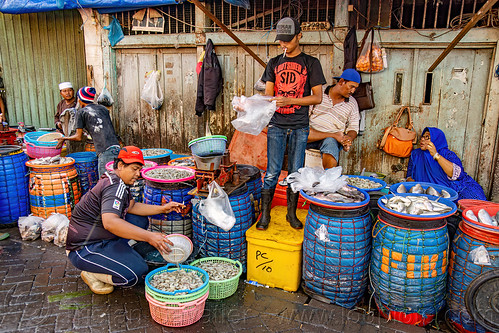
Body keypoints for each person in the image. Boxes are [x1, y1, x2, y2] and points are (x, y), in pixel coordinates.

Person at [66, 146, 185, 294]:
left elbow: (131, 207)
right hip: (84, 248)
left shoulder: (119, 181)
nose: (137, 174)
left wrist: (163, 208)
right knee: (136, 273)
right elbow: (110, 223)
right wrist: (150, 237)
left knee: (139, 220)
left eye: (139, 170)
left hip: (102, 236)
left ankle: (118, 254)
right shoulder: (113, 186)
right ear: (121, 165)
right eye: (134, 169)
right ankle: (93, 274)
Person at [257, 17, 326, 231]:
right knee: (272, 172)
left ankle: (291, 214)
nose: (283, 45)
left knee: (296, 172)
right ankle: (265, 215)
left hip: (299, 125)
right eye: (281, 41)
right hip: (277, 124)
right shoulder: (274, 63)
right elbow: (268, 96)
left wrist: (291, 100)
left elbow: (317, 98)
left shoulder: (311, 63)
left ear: (299, 36)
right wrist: (250, 105)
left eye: (288, 40)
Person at [407, 127, 487, 201]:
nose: (422, 140)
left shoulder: (447, 154)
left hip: (455, 188)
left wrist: (435, 155)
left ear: (436, 140)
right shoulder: (416, 154)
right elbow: (409, 176)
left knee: (476, 203)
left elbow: (456, 174)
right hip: (430, 193)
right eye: (422, 137)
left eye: (427, 137)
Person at [57, 86, 121, 177]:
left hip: (104, 151)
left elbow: (78, 137)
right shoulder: (103, 109)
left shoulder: (81, 112)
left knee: (106, 181)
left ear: (80, 99)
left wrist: (64, 138)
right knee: (116, 177)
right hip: (116, 147)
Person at [307, 69, 361, 169]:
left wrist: (348, 139)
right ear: (341, 82)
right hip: (311, 135)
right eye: (351, 86)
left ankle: (328, 179)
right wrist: (335, 135)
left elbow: (353, 127)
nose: (353, 91)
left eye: (355, 88)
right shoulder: (319, 93)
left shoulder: (352, 103)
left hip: (332, 141)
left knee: (330, 142)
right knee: (301, 132)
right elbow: (304, 118)